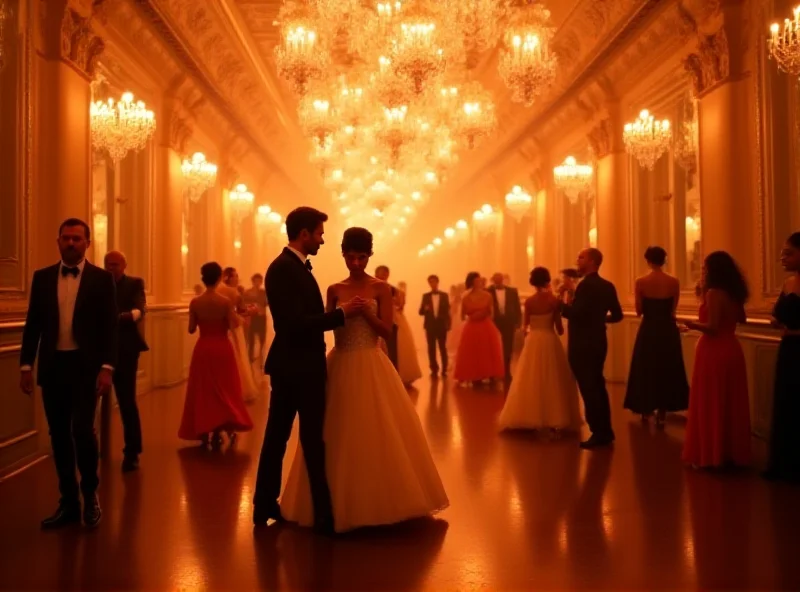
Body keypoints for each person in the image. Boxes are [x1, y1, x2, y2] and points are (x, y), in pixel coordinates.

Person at [280, 227, 448, 533]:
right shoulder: (333, 288)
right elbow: (324, 325)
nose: (355, 263)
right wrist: (343, 312)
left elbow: (386, 330)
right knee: (335, 430)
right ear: (342, 254)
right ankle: (331, 503)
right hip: (340, 362)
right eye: (350, 256)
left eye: (361, 257)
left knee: (376, 429)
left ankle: (381, 501)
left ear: (369, 256)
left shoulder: (381, 288)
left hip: (371, 361)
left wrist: (364, 314)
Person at [253, 207, 365, 533]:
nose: (322, 239)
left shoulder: (292, 267)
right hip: (297, 366)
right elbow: (292, 324)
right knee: (304, 439)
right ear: (304, 234)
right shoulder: (284, 269)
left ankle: (269, 504)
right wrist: (340, 315)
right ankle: (322, 515)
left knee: (284, 438)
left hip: (296, 365)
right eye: (318, 233)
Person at [19, 218, 118, 529]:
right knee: (58, 435)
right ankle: (68, 501)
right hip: (53, 366)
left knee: (82, 432)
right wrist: (25, 365)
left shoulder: (102, 280)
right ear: (58, 241)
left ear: (87, 243)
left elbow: (109, 328)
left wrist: (106, 367)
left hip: (85, 366)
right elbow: (33, 323)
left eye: (77, 238)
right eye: (66, 238)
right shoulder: (43, 278)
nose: (71, 243)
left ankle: (91, 495)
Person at [682, 251, 751, 469]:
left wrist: (691, 324)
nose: (703, 271)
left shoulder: (713, 293)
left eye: (705, 268)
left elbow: (711, 328)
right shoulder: (735, 294)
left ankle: (710, 455)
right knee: (730, 401)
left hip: (712, 351)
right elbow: (742, 319)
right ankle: (729, 453)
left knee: (710, 401)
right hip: (732, 349)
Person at [178, 262, 253, 447]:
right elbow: (234, 324)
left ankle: (204, 429)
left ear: (203, 279)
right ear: (219, 278)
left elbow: (191, 329)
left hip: (203, 348)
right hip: (222, 348)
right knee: (225, 389)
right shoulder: (225, 302)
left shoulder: (196, 302)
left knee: (203, 390)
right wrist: (246, 315)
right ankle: (221, 428)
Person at [498, 267, 581, 432]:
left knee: (530, 376)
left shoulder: (529, 302)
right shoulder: (553, 301)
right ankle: (553, 416)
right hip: (549, 339)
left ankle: (529, 414)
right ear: (547, 281)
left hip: (533, 341)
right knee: (553, 378)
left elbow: (525, 326)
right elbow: (560, 328)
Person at [560, 248, 623, 449]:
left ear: (593, 261)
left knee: (589, 388)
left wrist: (559, 304)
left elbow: (576, 314)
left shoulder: (586, 286)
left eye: (581, 257)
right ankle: (605, 430)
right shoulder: (607, 285)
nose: (577, 260)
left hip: (582, 343)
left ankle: (599, 432)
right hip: (599, 341)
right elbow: (618, 315)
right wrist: (599, 319)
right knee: (598, 385)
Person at [623, 247, 689, 426]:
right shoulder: (674, 281)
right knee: (667, 368)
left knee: (647, 368)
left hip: (650, 329)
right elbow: (673, 309)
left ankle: (646, 409)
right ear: (664, 260)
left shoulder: (641, 281)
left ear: (648, 260)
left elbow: (639, 311)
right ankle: (662, 411)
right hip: (668, 329)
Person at [104, 251, 148, 472]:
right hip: (100, 349)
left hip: (126, 350)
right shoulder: (99, 283)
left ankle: (132, 451)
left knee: (126, 401)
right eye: (108, 265)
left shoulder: (134, 284)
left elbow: (139, 309)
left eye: (115, 264)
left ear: (124, 265)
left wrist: (118, 318)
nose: (111, 268)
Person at [764, 232, 800, 482]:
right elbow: (775, 314)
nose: (782, 258)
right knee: (788, 402)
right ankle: (787, 463)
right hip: (789, 349)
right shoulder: (788, 283)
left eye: (788, 253)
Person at [454, 273, 505, 385]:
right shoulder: (466, 297)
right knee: (473, 351)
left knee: (487, 350)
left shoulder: (488, 296)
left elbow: (492, 313)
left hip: (486, 325)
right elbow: (463, 315)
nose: (479, 282)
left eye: (480, 280)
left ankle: (491, 374)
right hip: (472, 326)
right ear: (472, 282)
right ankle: (475, 375)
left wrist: (483, 314)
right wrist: (473, 314)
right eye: (476, 281)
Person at [219, 267, 260, 402]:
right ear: (228, 278)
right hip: (234, 328)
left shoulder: (218, 290)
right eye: (235, 276)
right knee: (239, 357)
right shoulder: (233, 292)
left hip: (220, 329)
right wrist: (253, 310)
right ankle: (239, 389)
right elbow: (242, 311)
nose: (237, 278)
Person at [488, 272, 522, 382]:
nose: (498, 281)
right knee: (493, 347)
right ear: (493, 280)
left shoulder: (512, 291)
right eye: (496, 279)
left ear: (503, 279)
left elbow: (517, 307)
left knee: (508, 347)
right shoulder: (488, 291)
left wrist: (518, 321)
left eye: (500, 279)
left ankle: (506, 370)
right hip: (494, 322)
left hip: (509, 322)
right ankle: (493, 372)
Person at [419, 274, 450, 377]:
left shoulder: (444, 295)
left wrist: (448, 324)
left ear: (437, 282)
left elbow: (447, 311)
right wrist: (425, 309)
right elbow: (420, 312)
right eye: (430, 282)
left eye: (434, 282)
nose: (432, 284)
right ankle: (434, 369)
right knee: (431, 348)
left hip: (441, 325)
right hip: (430, 326)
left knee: (442, 347)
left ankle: (444, 368)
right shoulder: (425, 296)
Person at [394, 281, 423, 386]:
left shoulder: (399, 294)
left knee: (401, 345)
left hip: (397, 319)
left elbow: (401, 307)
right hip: (392, 318)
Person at [375, 265, 399, 369]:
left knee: (392, 351)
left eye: (386, 273)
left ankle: (393, 373)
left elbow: (397, 305)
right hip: (374, 322)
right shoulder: (369, 287)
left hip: (390, 322)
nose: (384, 275)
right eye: (381, 273)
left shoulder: (393, 289)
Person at [243, 273, 268, 365]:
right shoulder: (247, 292)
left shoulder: (264, 292)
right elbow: (244, 303)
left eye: (260, 281)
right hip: (252, 317)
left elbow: (267, 303)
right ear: (253, 281)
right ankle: (250, 357)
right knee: (251, 338)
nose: (258, 282)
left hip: (261, 317)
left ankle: (261, 357)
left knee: (262, 338)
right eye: (256, 281)